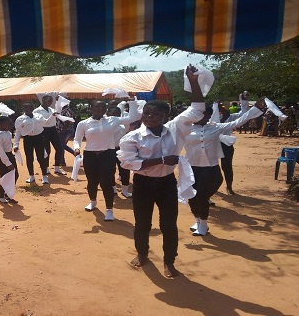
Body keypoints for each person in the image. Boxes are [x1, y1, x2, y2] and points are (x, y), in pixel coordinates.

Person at [117, 64, 205, 278]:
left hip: (166, 184)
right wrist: (162, 160)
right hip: (143, 185)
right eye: (146, 113)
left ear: (166, 116)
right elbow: (129, 164)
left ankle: (169, 261)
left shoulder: (176, 128)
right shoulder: (132, 137)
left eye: (156, 114)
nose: (149, 116)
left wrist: (193, 82)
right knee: (142, 224)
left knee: (169, 225)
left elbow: (198, 109)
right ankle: (142, 254)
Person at [183, 99, 265, 236]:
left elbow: (237, 122)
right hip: (191, 168)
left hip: (210, 168)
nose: (198, 118)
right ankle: (197, 221)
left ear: (209, 116)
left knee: (202, 196)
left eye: (203, 115)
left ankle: (203, 224)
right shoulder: (185, 129)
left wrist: (254, 109)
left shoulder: (215, 127)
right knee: (192, 197)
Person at [73, 99, 139, 221]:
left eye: (103, 107)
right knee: (92, 182)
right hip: (90, 155)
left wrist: (132, 103)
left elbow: (133, 117)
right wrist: (76, 148)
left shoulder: (112, 120)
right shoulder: (83, 123)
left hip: (108, 154)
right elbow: (77, 139)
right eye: (97, 107)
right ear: (90, 108)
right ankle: (93, 202)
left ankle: (109, 210)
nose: (100, 109)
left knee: (106, 183)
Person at [13, 101, 49, 184]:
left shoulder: (39, 116)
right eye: (26, 108)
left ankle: (44, 176)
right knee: (29, 158)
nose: (28, 110)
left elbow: (46, 122)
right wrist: (16, 144)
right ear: (23, 109)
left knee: (41, 157)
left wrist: (53, 116)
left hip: (39, 138)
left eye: (30, 108)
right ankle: (31, 176)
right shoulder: (20, 119)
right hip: (28, 139)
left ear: (33, 109)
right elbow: (18, 132)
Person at [106, 104, 137, 198]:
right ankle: (113, 188)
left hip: (121, 149)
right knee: (110, 170)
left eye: (117, 114)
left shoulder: (123, 125)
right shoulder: (105, 125)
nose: (115, 116)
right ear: (107, 114)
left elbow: (132, 117)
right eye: (112, 114)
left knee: (124, 169)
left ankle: (125, 190)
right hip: (108, 150)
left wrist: (132, 103)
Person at [34, 95, 65, 177]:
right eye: (48, 101)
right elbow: (44, 122)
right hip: (43, 130)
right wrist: (52, 116)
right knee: (47, 150)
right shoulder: (37, 111)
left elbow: (56, 118)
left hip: (53, 130)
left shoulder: (51, 109)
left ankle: (57, 167)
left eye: (51, 101)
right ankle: (46, 168)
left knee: (59, 148)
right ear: (43, 100)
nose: (50, 102)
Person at [0, 116, 19, 203]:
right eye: (7, 123)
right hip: (1, 157)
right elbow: (1, 152)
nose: (9, 125)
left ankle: (8, 194)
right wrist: (8, 163)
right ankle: (0, 196)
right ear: (0, 124)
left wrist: (13, 148)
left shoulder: (7, 132)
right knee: (5, 176)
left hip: (9, 155)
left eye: (10, 123)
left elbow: (8, 144)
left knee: (15, 175)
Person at [56, 103, 75, 167]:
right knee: (62, 146)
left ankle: (76, 154)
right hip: (65, 130)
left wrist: (62, 131)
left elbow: (67, 122)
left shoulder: (67, 110)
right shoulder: (62, 110)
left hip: (66, 130)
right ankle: (62, 161)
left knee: (62, 145)